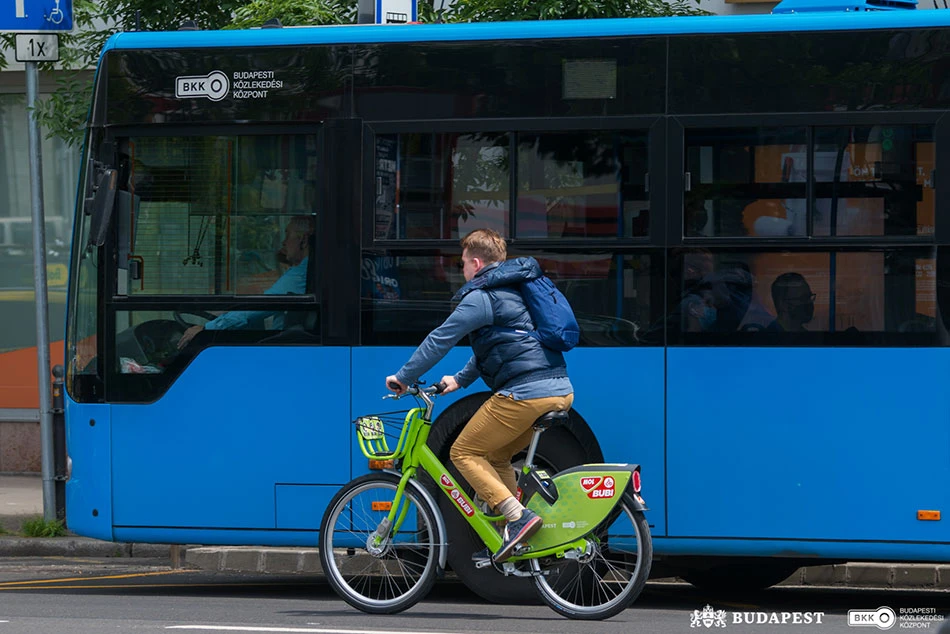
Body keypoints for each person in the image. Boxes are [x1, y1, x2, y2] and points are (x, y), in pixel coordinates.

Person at [385, 228, 574, 563]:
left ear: (475, 262)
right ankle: (513, 534)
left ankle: (519, 518)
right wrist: (459, 380)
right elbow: (499, 347)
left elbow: (439, 340)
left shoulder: (481, 297)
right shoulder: (513, 292)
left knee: (464, 452)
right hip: (558, 390)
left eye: (462, 264)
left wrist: (403, 377)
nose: (462, 271)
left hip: (524, 394)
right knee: (497, 456)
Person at [177, 215, 314, 349]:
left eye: (287, 235)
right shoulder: (303, 271)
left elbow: (260, 306)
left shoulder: (301, 274)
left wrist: (208, 328)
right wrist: (225, 317)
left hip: (282, 348)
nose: (284, 242)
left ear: (303, 240)